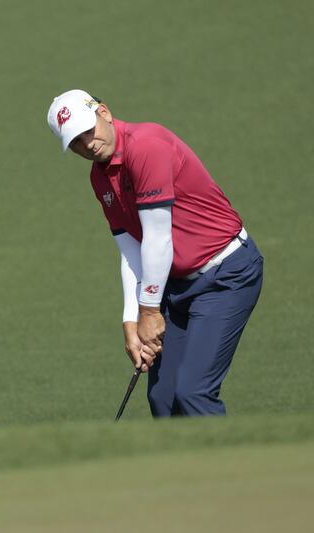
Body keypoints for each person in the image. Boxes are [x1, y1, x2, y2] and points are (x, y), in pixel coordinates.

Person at [46, 89, 263, 417]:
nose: (87, 144)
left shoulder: (146, 146)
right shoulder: (100, 178)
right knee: (162, 399)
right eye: (75, 141)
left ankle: (230, 466)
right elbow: (131, 251)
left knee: (193, 392)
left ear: (104, 112)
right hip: (176, 286)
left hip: (225, 275)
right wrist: (131, 321)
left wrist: (149, 312)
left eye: (88, 131)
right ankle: (182, 469)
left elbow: (158, 238)